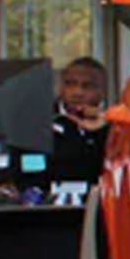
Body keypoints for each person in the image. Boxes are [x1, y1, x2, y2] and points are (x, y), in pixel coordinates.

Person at [49, 56, 109, 186]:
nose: (77, 92)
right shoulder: (41, 122)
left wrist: (102, 127)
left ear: (103, 91)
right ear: (60, 87)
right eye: (70, 84)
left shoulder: (114, 125)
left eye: (87, 86)